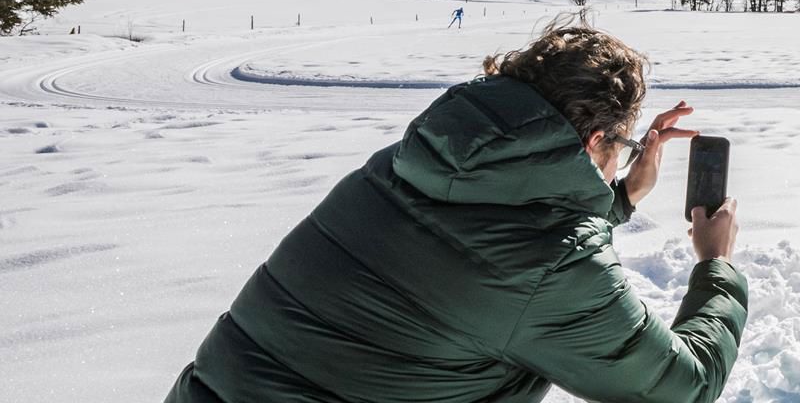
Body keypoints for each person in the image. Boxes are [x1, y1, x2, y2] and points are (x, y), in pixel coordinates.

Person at [165, 20, 746, 403]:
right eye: (622, 147)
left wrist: (618, 198)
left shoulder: (405, 165)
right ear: (595, 142)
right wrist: (714, 263)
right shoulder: (553, 264)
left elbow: (485, 247)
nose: (624, 158)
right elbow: (681, 388)